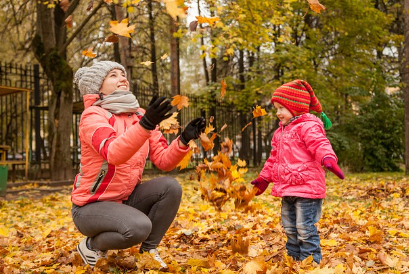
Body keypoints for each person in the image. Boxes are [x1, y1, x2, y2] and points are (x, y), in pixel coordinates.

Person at [71, 61, 205, 269]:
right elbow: (113, 152)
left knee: (170, 187)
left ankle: (148, 252)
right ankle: (91, 244)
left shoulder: (140, 115)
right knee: (138, 227)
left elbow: (162, 160)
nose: (122, 78)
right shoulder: (93, 116)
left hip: (124, 200)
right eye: (113, 75)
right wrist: (145, 125)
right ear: (98, 87)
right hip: (90, 206)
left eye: (123, 74)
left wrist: (183, 140)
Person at [250, 79, 344, 264]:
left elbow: (320, 144)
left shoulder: (309, 126)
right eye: (276, 108)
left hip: (307, 189)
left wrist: (328, 159)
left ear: (295, 107)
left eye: (281, 108)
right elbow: (273, 159)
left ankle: (310, 262)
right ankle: (293, 260)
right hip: (287, 188)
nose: (277, 113)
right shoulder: (280, 133)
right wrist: (264, 178)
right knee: (290, 227)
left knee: (304, 228)